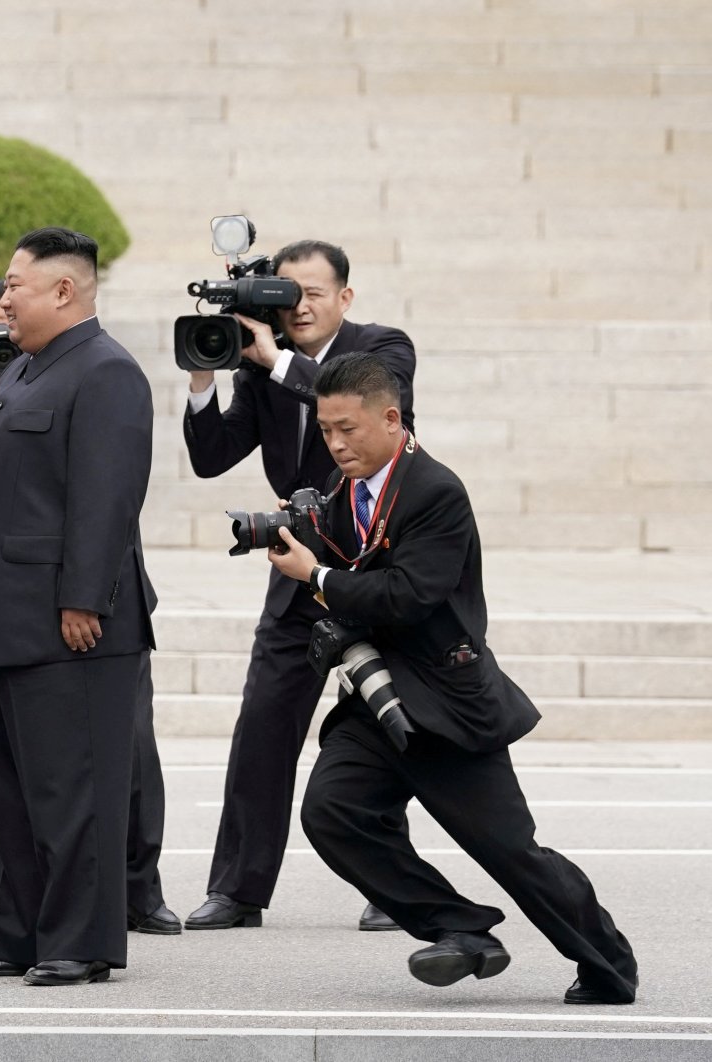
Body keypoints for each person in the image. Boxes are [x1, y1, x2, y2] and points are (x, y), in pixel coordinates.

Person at [268, 352, 638, 1006]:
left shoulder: (436, 490)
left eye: (347, 429)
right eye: (326, 430)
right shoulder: (339, 487)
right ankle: (460, 929)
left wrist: (316, 576)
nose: (336, 443)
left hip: (444, 704)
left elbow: (408, 596)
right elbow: (348, 568)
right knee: (332, 814)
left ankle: (607, 961)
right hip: (372, 697)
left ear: (390, 418)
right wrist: (302, 537)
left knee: (510, 854)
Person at [181, 239, 416, 933]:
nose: (299, 306)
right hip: (296, 558)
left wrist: (275, 360)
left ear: (344, 297)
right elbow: (210, 457)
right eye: (288, 293)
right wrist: (205, 370)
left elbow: (352, 395)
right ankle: (238, 890)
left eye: (312, 293)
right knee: (262, 723)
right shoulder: (261, 365)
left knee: (385, 724)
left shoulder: (382, 347)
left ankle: (390, 887)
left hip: (376, 557)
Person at [0, 228, 156, 986]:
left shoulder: (105, 371)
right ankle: (22, 931)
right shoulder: (25, 371)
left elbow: (106, 497)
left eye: (15, 286)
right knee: (14, 795)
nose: (3, 300)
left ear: (63, 291)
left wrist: (82, 597)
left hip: (67, 623)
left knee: (72, 793)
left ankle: (80, 941)